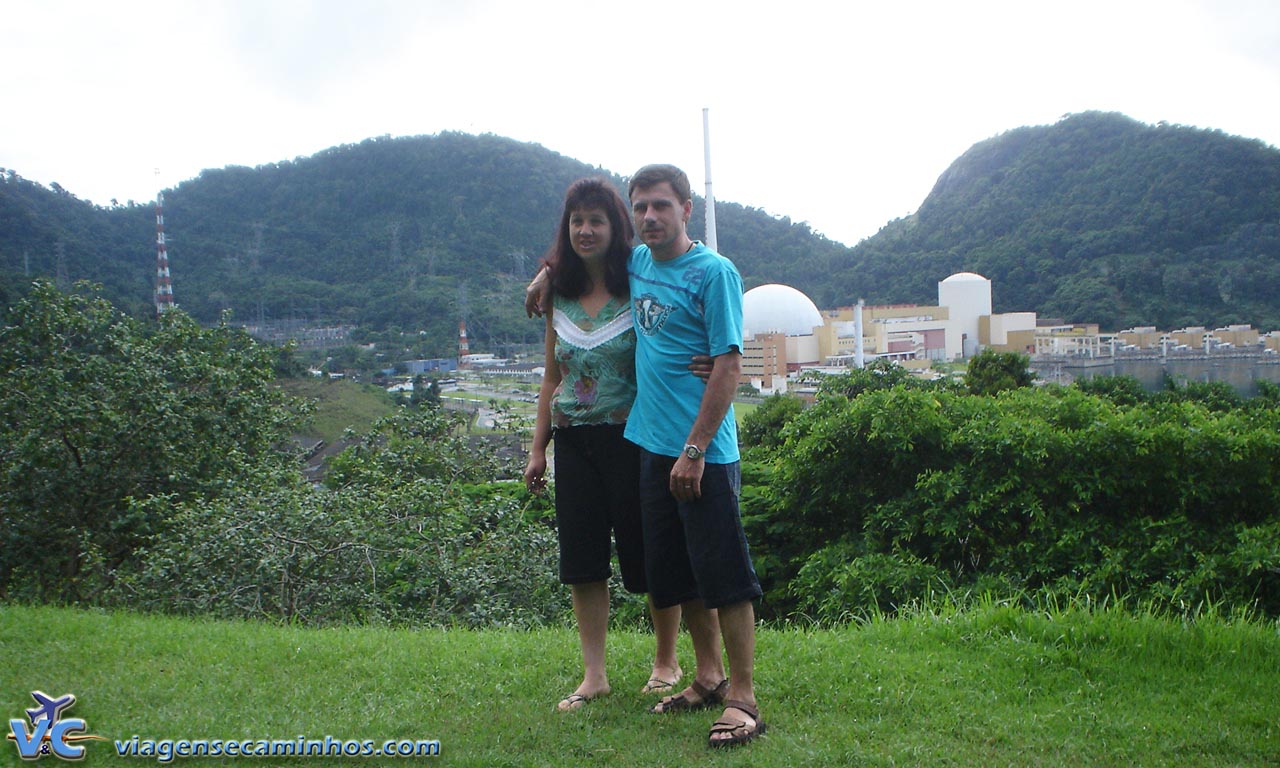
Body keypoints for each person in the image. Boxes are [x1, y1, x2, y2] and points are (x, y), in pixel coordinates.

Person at [523, 178, 683, 713]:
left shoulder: (638, 281)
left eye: (597, 220)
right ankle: (595, 675)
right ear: (566, 230)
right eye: (577, 222)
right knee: (583, 560)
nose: (586, 230)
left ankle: (667, 663)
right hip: (574, 443)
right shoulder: (558, 296)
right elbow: (551, 378)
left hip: (635, 439)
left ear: (615, 228)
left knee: (648, 554)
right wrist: (536, 448)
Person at [622, 164, 765, 748]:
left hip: (701, 453)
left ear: (685, 207)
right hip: (651, 446)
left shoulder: (714, 272)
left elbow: (729, 364)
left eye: (660, 205)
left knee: (724, 575)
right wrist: (543, 275)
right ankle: (707, 677)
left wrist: (695, 450)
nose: (650, 217)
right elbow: (579, 259)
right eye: (640, 207)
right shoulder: (635, 263)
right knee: (677, 578)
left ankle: (744, 698)